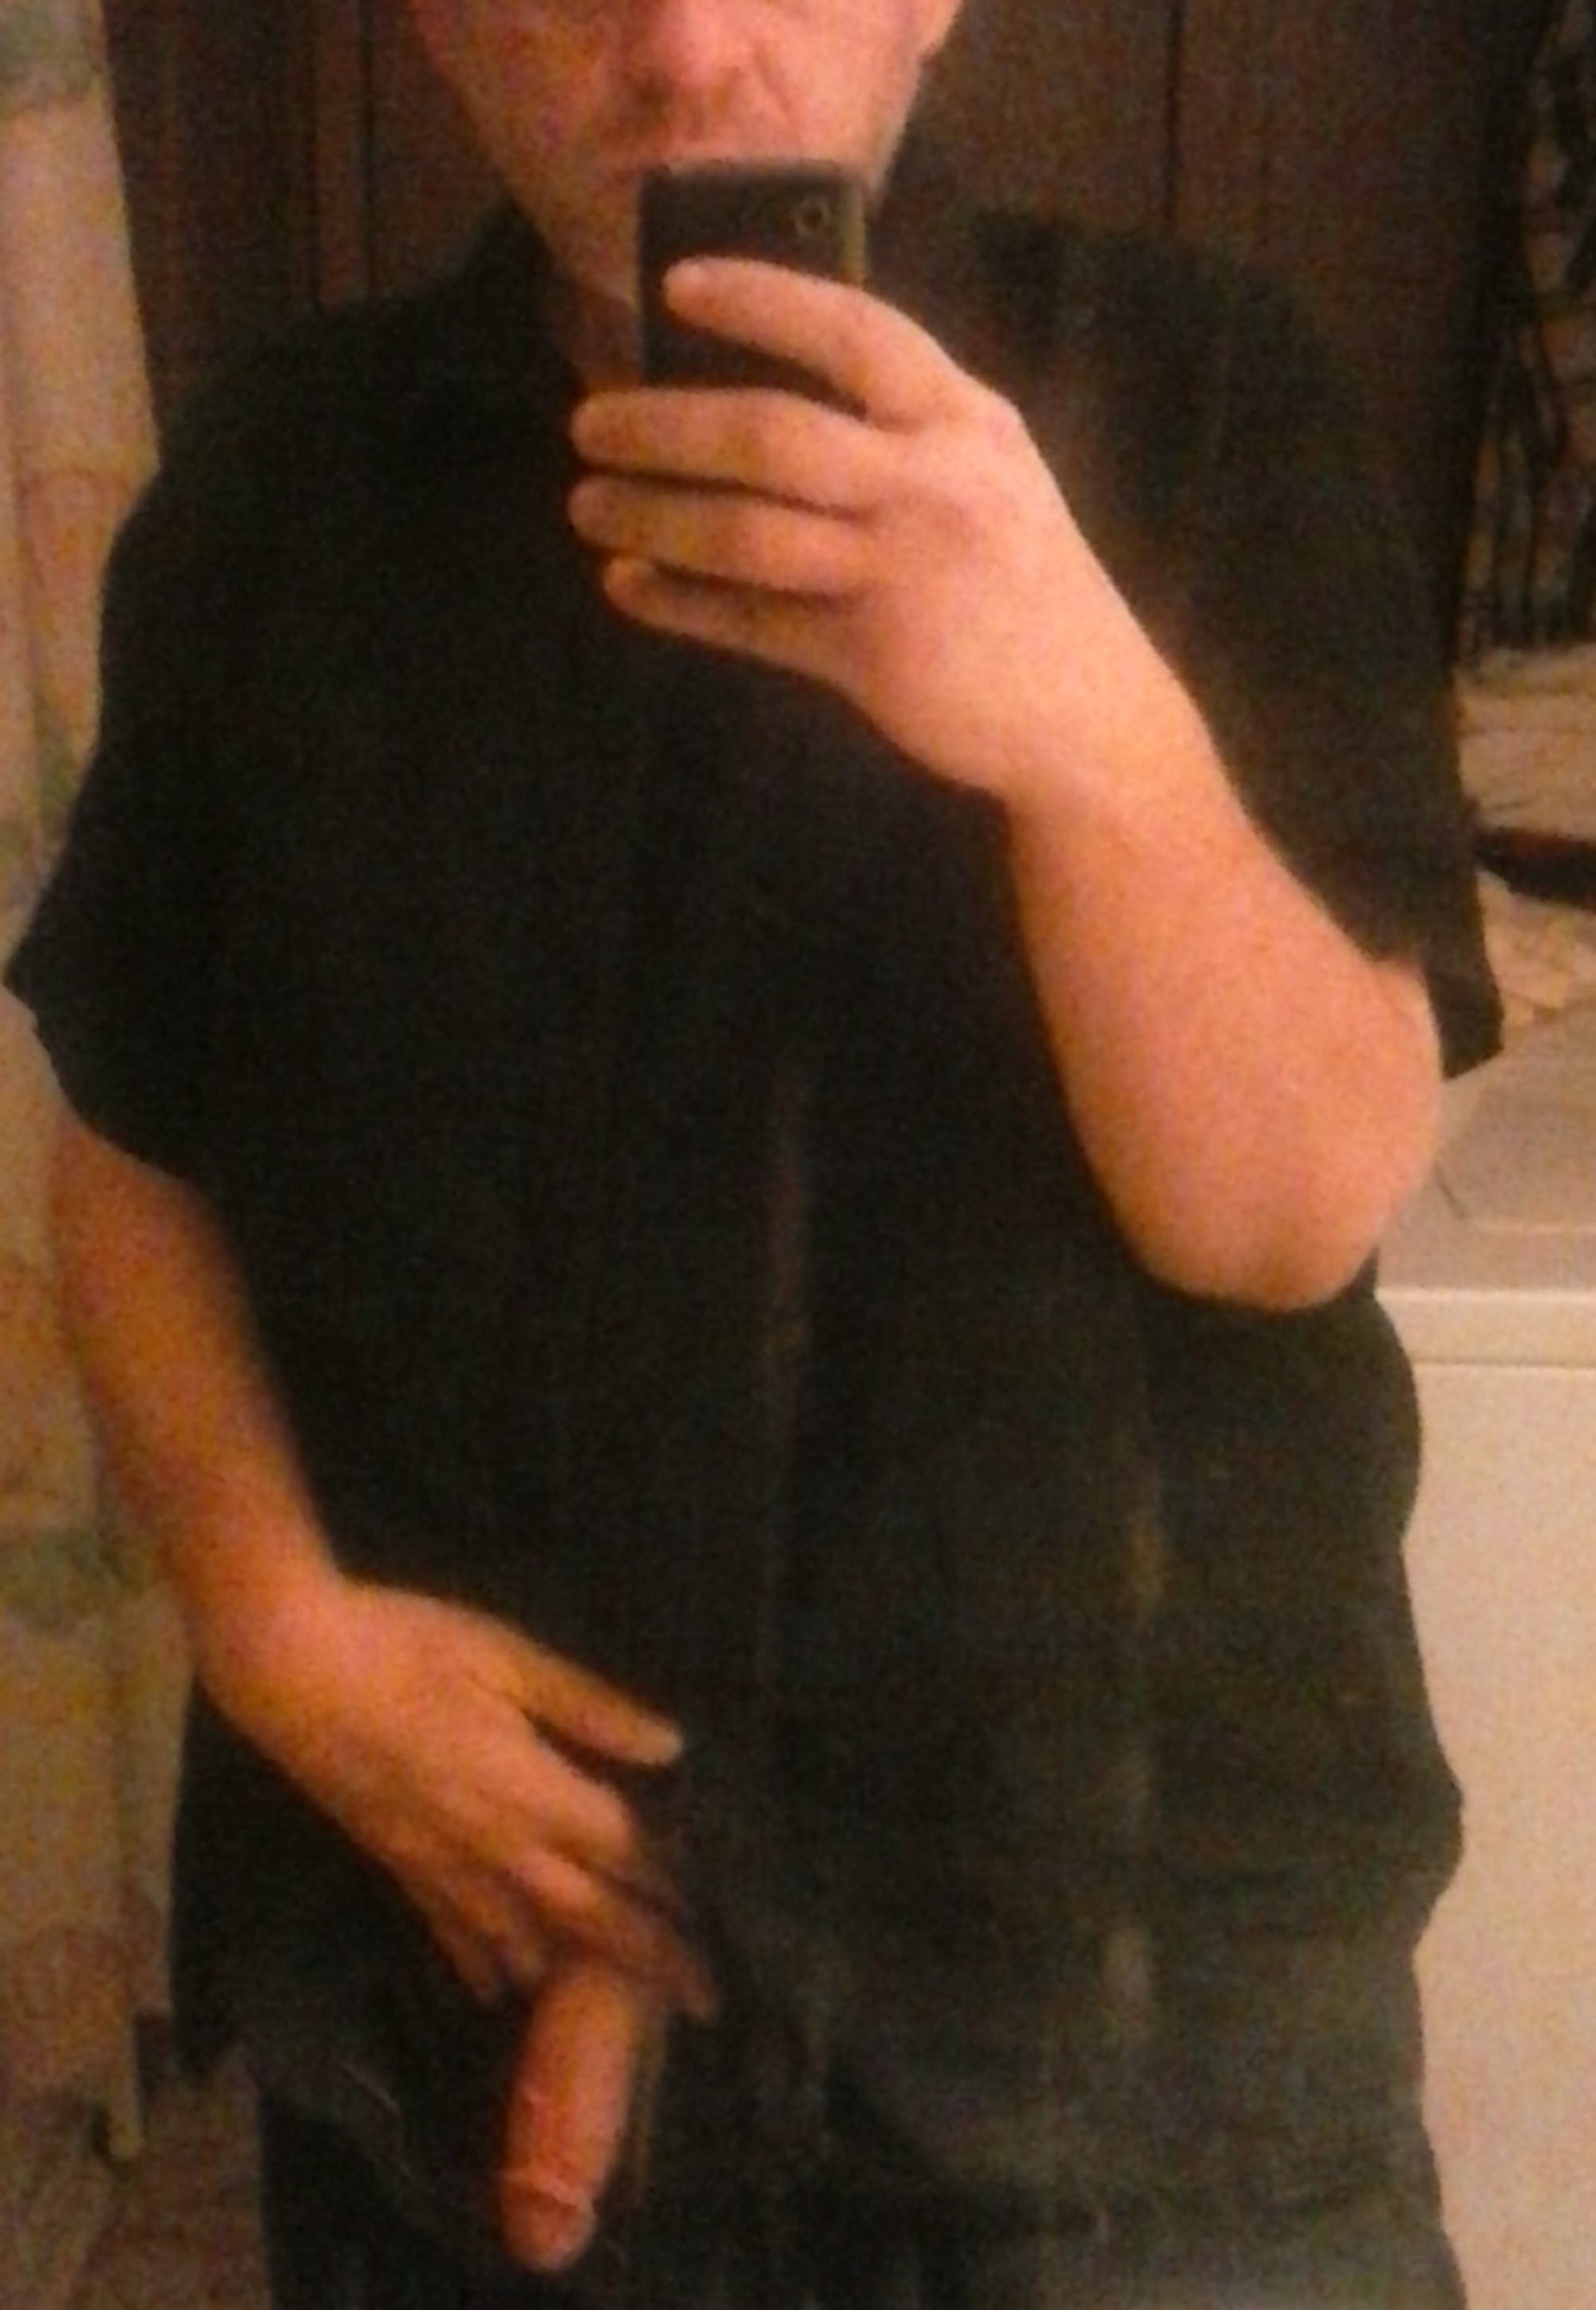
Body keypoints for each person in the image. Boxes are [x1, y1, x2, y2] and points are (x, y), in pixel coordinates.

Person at [5, 0, 1502, 2304]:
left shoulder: (1208, 399)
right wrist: (272, 1622)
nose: (688, 49)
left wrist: (1087, 730)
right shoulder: (276, 492)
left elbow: (1284, 1212)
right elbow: (135, 1129)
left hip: (1116, 2049)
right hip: (462, 1962)